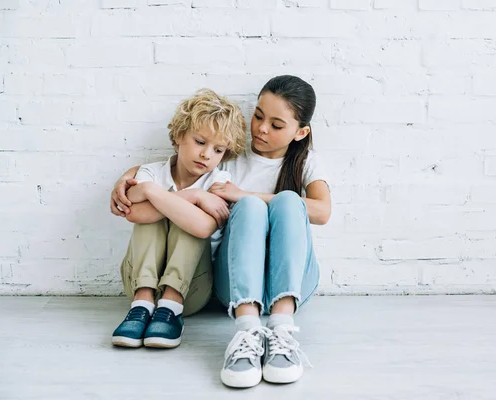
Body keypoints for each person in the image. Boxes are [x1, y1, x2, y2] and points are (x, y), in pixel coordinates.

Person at [111, 76, 331, 388]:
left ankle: (282, 329)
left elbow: (322, 211)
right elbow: (177, 167)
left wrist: (247, 195)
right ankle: (246, 329)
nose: (261, 129)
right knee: (249, 211)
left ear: (301, 132)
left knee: (287, 202)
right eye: (257, 116)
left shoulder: (306, 162)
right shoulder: (229, 154)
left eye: (276, 125)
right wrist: (128, 176)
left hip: (293, 283)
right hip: (237, 285)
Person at [110, 89, 247, 349]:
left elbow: (204, 226)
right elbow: (134, 213)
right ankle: (142, 304)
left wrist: (154, 195)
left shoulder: (218, 182)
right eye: (200, 141)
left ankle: (170, 308)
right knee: (159, 214)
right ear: (178, 137)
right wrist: (190, 195)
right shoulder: (152, 173)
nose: (207, 154)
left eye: (218, 149)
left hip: (190, 290)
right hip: (138, 280)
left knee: (188, 221)